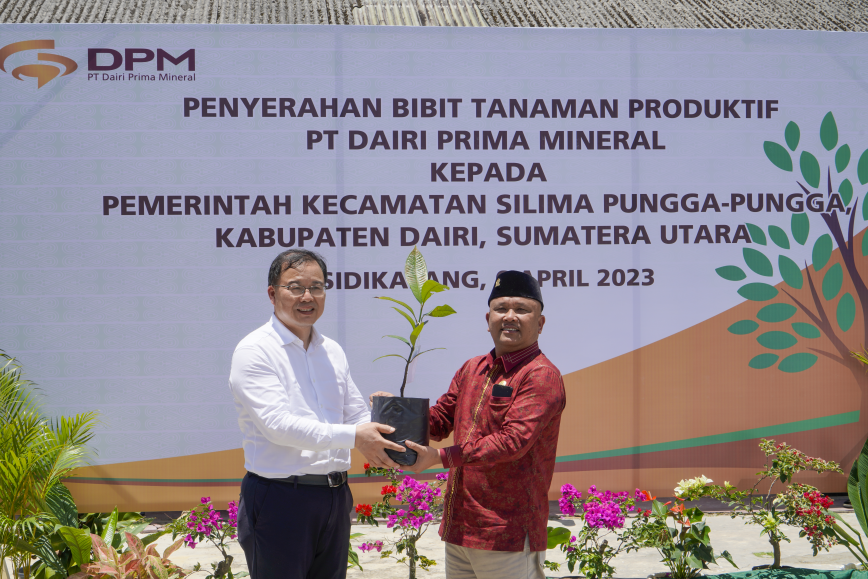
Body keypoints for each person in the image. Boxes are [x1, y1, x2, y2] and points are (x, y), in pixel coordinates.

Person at [373, 270, 565, 579]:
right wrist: (395, 413)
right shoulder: (473, 368)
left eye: (522, 309)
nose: (510, 317)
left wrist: (440, 457)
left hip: (507, 534)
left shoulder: (540, 375)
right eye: (501, 308)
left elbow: (512, 442)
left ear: (540, 323)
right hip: (461, 528)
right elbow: (438, 421)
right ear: (488, 319)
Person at [229, 249, 405, 579]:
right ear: (272, 293)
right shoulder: (255, 351)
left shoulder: (332, 350)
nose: (308, 297)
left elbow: (354, 414)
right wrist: (356, 435)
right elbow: (278, 426)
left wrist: (382, 418)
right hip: (280, 498)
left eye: (317, 287)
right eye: (295, 287)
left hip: (334, 497)